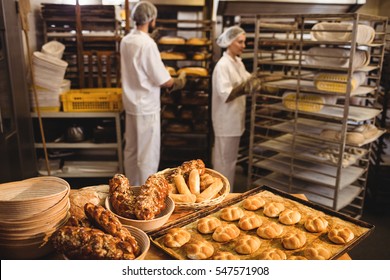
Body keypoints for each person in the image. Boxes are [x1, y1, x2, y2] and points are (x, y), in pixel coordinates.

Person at [120, 1, 186, 186]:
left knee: (132, 152)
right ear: (152, 19)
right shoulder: (147, 44)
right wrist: (178, 81)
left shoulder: (126, 40)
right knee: (147, 156)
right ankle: (144, 194)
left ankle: (130, 191)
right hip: (146, 107)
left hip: (131, 105)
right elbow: (163, 80)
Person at [212, 25, 259, 190]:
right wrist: (246, 87)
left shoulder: (237, 62)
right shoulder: (222, 65)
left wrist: (257, 81)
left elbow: (248, 80)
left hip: (235, 121)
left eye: (244, 42)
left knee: (231, 162)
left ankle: (228, 194)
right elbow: (226, 94)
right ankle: (219, 196)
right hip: (225, 121)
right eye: (240, 42)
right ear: (230, 42)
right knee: (223, 162)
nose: (243, 46)